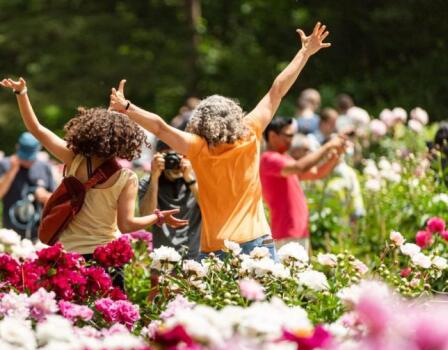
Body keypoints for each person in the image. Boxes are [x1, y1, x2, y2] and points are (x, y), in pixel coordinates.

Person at [109, 22, 332, 260]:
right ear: (235, 115)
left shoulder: (197, 147)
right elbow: (277, 90)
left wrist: (128, 108)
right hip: (257, 241)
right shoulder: (250, 132)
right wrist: (304, 52)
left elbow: (160, 127)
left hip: (215, 247)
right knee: (264, 298)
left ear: (200, 122)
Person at [0, 76, 187, 262]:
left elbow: (36, 129)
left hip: (69, 258)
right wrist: (158, 217)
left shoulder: (74, 159)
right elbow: (127, 224)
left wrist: (21, 92)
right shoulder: (126, 178)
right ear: (126, 140)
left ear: (91, 131)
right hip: (105, 257)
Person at [260, 116, 345, 251]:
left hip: (297, 232)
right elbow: (300, 167)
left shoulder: (284, 158)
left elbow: (317, 173)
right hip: (286, 232)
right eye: (288, 135)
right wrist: (328, 146)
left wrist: (336, 156)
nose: (291, 140)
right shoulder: (269, 159)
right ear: (272, 135)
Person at [139, 140, 202, 259]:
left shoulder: (197, 179)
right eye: (169, 157)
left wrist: (190, 179)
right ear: (158, 157)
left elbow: (211, 211)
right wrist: (154, 178)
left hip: (195, 263)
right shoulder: (148, 183)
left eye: (178, 156)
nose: (173, 162)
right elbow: (146, 216)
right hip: (163, 262)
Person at [0, 132, 56, 240]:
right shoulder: (5, 164)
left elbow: (56, 201)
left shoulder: (44, 167)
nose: (27, 161)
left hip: (39, 235)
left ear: (38, 149)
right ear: (17, 147)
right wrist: (12, 170)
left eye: (30, 158)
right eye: (24, 157)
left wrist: (44, 196)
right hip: (10, 236)